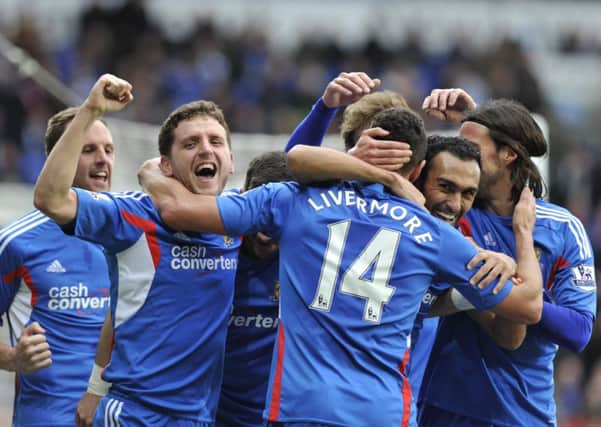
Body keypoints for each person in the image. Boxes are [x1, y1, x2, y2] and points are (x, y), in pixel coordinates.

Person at [139, 106, 543, 427]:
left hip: (300, 405)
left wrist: (152, 173)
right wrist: (522, 234)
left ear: (362, 149)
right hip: (382, 412)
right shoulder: (433, 235)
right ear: (418, 172)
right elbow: (528, 308)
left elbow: (178, 208)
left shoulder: (293, 201)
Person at [33, 74, 241, 427]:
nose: (206, 149)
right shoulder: (133, 216)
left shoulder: (239, 222)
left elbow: (285, 178)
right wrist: (91, 110)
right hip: (136, 414)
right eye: (190, 143)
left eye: (215, 141)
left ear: (231, 161)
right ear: (166, 166)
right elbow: (50, 198)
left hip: (202, 417)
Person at [418, 90, 597, 427]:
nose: (465, 156)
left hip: (524, 412)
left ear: (509, 156)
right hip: (445, 406)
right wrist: (511, 297)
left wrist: (518, 297)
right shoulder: (454, 213)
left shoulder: (562, 228)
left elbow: (578, 330)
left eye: (475, 149)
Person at [0, 106, 113, 426]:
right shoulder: (17, 242)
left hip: (119, 416)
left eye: (108, 149)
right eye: (88, 150)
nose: (103, 159)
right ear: (57, 160)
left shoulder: (129, 234)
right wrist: (13, 358)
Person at [216, 151, 294, 427]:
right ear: (241, 198)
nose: (266, 227)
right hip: (209, 414)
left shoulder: (307, 260)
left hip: (279, 417)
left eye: (280, 212)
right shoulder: (211, 249)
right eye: (261, 208)